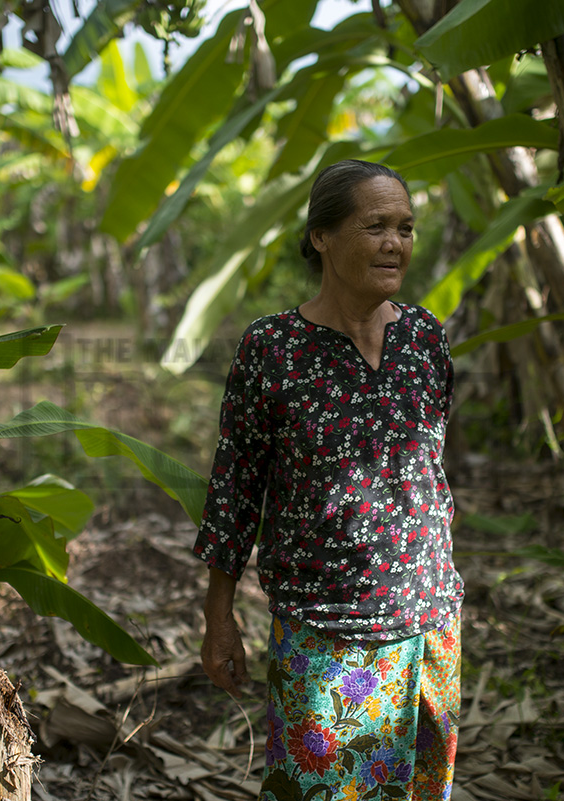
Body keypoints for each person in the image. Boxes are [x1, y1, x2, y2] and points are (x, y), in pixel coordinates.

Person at [194, 159, 463, 800]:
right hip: (325, 629)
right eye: (375, 227)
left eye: (405, 227)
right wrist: (219, 617)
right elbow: (235, 491)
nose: (394, 243)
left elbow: (432, 470)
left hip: (429, 619)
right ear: (322, 236)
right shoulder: (274, 348)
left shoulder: (425, 338)